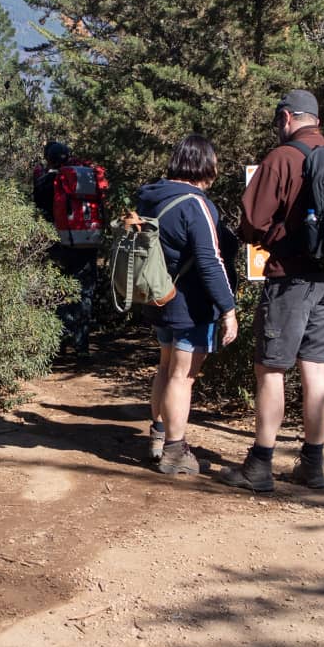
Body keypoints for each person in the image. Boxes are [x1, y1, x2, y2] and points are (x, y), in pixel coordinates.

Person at [218, 89, 324, 492]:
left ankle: (260, 465)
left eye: (278, 120)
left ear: (287, 117)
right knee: (316, 367)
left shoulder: (282, 158)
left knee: (271, 368)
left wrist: (267, 237)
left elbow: (252, 220)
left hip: (291, 277)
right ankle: (313, 463)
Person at [132, 135, 238, 475]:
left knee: (165, 368)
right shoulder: (196, 204)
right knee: (182, 376)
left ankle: (158, 436)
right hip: (190, 304)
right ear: (204, 164)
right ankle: (176, 452)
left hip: (159, 296)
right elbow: (210, 261)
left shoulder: (150, 197)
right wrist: (228, 308)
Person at [32, 140, 103, 360]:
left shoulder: (47, 181)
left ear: (48, 158)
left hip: (59, 243)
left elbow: (40, 210)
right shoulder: (85, 178)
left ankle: (60, 343)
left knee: (59, 290)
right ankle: (81, 346)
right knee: (85, 291)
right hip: (87, 242)